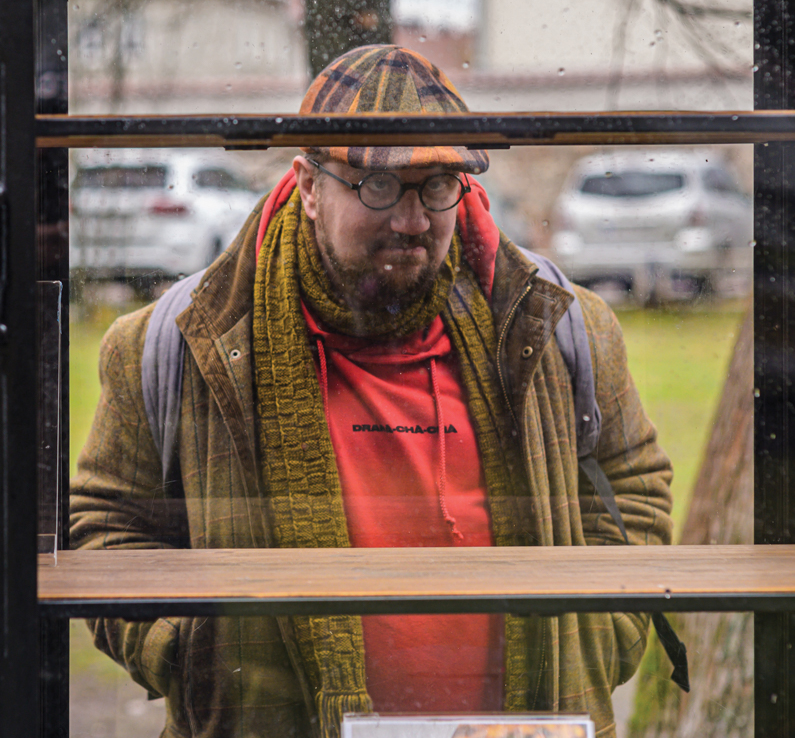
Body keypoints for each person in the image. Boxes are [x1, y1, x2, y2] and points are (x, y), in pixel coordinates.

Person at [71, 45, 674, 738]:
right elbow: (106, 525)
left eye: (438, 185)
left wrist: (593, 641)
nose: (413, 220)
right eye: (379, 186)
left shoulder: (557, 326)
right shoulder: (180, 344)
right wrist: (193, 655)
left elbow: (633, 490)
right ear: (307, 185)